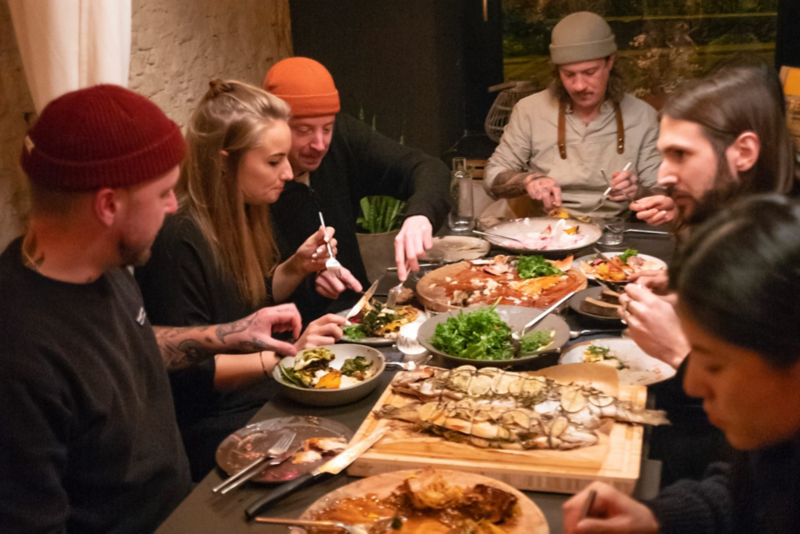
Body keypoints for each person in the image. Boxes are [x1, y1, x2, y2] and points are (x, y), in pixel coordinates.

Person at [0, 85, 303, 533]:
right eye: (163, 192)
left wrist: (232, 332)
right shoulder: (19, 352)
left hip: (185, 507)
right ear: (108, 205)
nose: (171, 206)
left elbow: (132, 347)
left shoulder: (105, 266)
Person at [135, 80, 361, 480]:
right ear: (224, 161)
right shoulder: (179, 238)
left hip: (254, 399)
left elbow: (242, 305)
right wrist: (287, 355)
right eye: (274, 162)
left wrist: (295, 267)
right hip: (212, 426)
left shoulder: (248, 210)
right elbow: (191, 374)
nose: (289, 173)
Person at [563, 195, 800, 534]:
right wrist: (657, 518)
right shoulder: (775, 436)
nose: (691, 384)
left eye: (715, 365)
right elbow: (747, 492)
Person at [621, 60, 797, 485]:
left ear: (744, 152)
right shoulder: (734, 221)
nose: (662, 175)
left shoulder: (784, 256)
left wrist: (682, 353)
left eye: (680, 154)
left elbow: (765, 457)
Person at [265, 56, 451, 300]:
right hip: (295, 331)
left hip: (356, 311)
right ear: (271, 127)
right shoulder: (254, 180)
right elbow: (252, 295)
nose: (320, 144)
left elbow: (427, 168)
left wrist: (420, 215)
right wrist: (309, 280)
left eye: (327, 128)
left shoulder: (343, 139)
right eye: (304, 130)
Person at [482, 11, 661, 219]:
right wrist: (527, 180)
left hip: (617, 232)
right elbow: (493, 177)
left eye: (590, 72)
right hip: (547, 230)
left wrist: (637, 191)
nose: (579, 85)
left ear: (609, 63)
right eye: (568, 74)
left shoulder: (642, 115)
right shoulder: (530, 110)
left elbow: (662, 192)